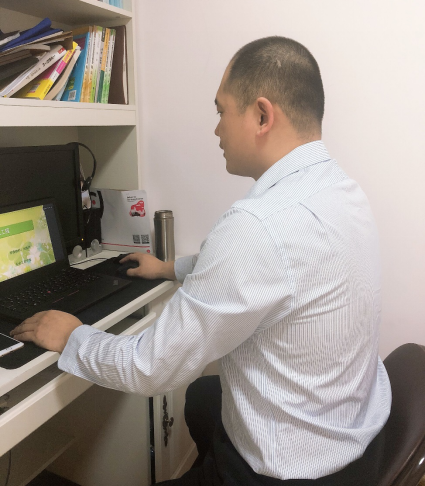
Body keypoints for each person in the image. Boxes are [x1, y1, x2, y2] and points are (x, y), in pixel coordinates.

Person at [10, 36, 391, 485]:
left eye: (221, 111)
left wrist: (72, 336)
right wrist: (168, 268)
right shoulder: (341, 191)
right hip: (356, 435)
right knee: (203, 397)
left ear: (262, 116)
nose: (216, 130)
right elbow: (271, 271)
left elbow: (150, 367)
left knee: (193, 392)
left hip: (292, 472)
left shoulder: (257, 226)